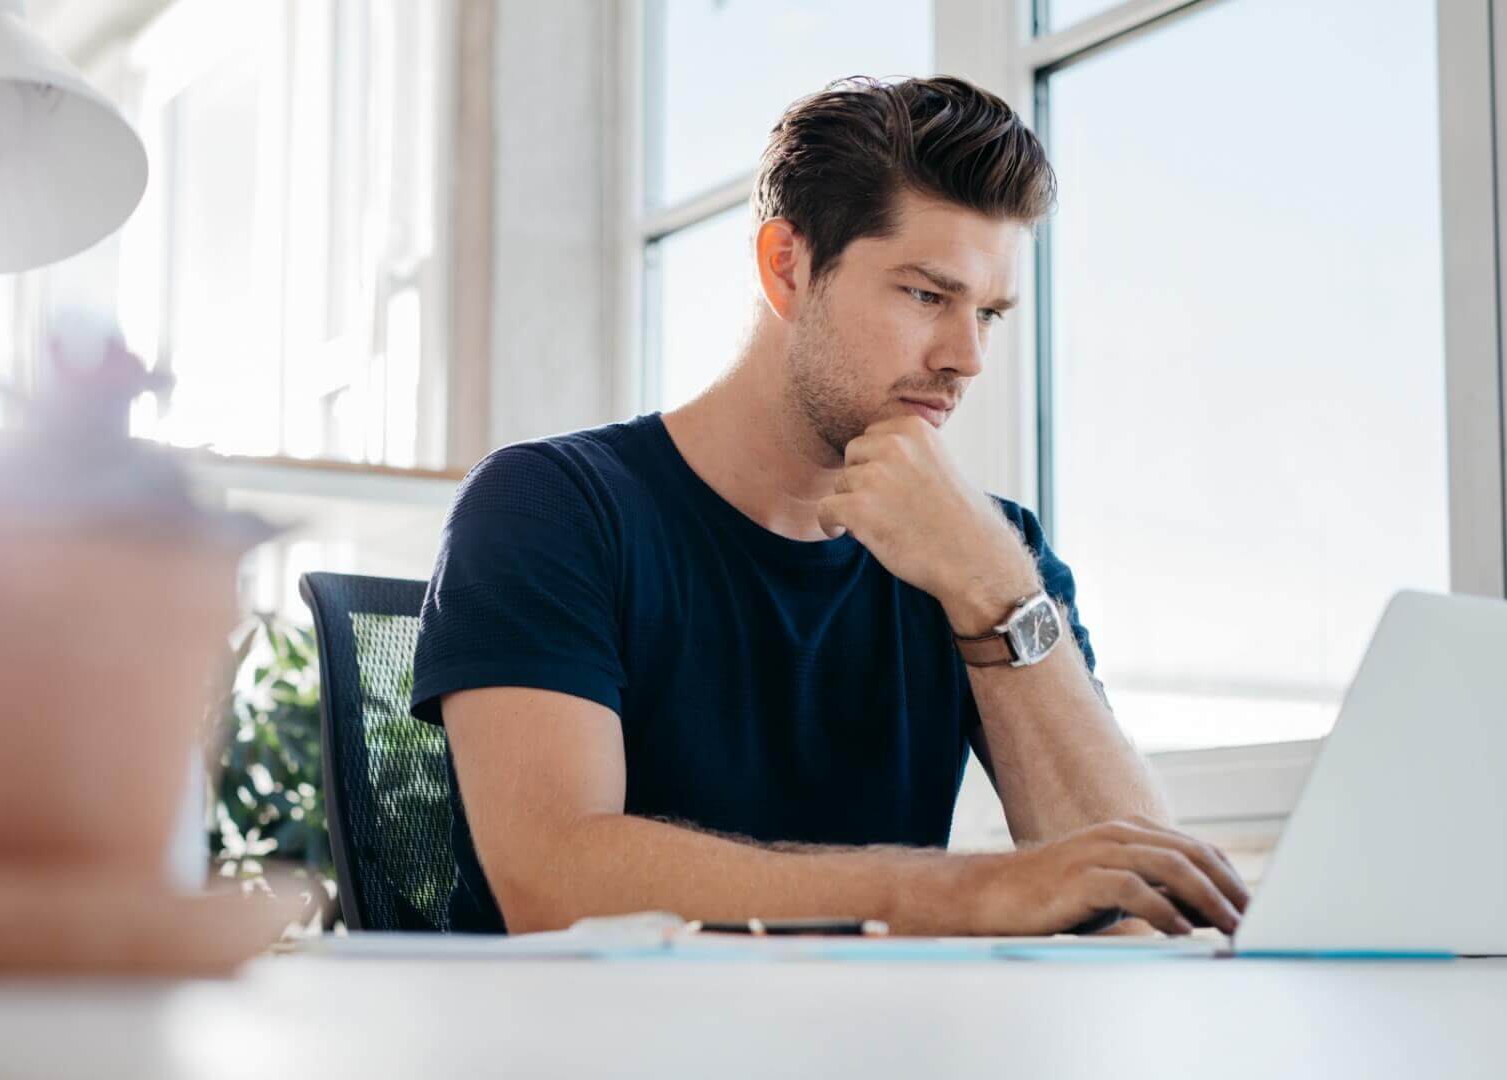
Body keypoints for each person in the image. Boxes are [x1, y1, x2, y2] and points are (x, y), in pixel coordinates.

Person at [410, 75, 1249, 936]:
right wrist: (959, 893)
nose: (968, 358)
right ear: (788, 268)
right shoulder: (551, 507)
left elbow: (1143, 902)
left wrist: (993, 587)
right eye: (928, 295)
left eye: (990, 313)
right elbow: (553, 881)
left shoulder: (987, 549)